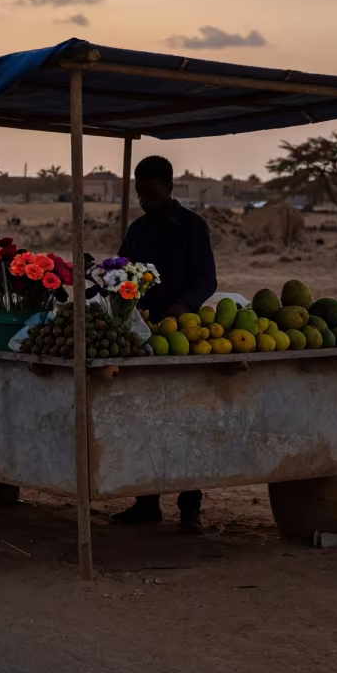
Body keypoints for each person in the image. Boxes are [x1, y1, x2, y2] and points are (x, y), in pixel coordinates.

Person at [111, 155, 217, 533]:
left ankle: (190, 508)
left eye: (152, 193)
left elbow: (208, 280)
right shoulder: (138, 229)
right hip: (142, 334)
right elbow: (121, 271)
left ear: (171, 188)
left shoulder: (193, 227)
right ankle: (146, 503)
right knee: (144, 420)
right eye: (140, 194)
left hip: (185, 336)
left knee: (185, 421)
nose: (145, 201)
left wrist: (182, 306)